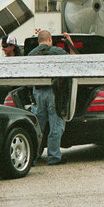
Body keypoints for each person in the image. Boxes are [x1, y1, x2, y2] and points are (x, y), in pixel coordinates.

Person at [28, 30, 73, 165]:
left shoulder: (31, 54)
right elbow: (74, 61)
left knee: (38, 126)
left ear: (38, 41)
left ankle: (33, 157)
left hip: (37, 93)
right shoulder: (57, 51)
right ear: (50, 39)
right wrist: (69, 42)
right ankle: (54, 157)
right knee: (56, 125)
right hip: (54, 92)